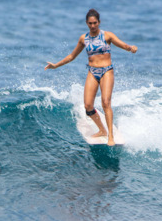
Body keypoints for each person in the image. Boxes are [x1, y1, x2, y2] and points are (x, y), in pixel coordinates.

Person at [45, 9, 138, 146]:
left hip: (107, 71)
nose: (93, 25)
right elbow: (72, 56)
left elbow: (123, 45)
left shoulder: (107, 36)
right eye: (90, 23)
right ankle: (102, 130)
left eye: (95, 23)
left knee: (106, 102)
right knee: (88, 106)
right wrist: (56, 65)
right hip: (92, 71)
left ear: (99, 22)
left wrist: (131, 48)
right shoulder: (84, 39)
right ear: (86, 23)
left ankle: (110, 136)